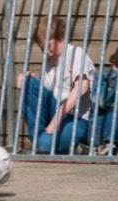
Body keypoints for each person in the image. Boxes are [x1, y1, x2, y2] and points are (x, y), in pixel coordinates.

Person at [16, 17, 95, 154]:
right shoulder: (49, 62)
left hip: (74, 118)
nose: (46, 52)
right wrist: (29, 81)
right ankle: (43, 141)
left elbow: (81, 87)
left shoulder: (75, 53)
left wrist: (57, 118)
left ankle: (44, 144)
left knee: (45, 145)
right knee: (29, 82)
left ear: (60, 37)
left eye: (48, 46)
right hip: (52, 112)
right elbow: (44, 96)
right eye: (42, 48)